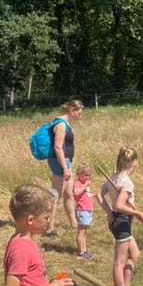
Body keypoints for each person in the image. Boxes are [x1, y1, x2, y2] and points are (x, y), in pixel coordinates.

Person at [96, 146, 143, 286]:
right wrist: (136, 212)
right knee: (119, 262)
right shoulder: (126, 182)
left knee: (135, 254)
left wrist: (109, 213)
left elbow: (99, 194)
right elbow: (119, 205)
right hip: (122, 221)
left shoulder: (114, 177)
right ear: (134, 163)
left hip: (118, 220)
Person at [44, 100, 84, 238]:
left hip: (65, 162)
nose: (80, 115)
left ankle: (74, 223)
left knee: (68, 193)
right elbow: (58, 147)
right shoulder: (61, 124)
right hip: (60, 163)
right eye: (78, 112)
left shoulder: (64, 123)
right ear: (71, 110)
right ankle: (49, 229)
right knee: (55, 196)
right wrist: (65, 168)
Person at [72, 163, 94, 260]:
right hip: (82, 210)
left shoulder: (85, 184)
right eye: (85, 175)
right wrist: (85, 185)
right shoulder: (78, 184)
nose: (87, 177)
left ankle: (84, 250)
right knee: (81, 231)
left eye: (89, 175)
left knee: (85, 231)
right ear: (79, 174)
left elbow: (86, 195)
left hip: (87, 209)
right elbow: (76, 193)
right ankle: (81, 252)